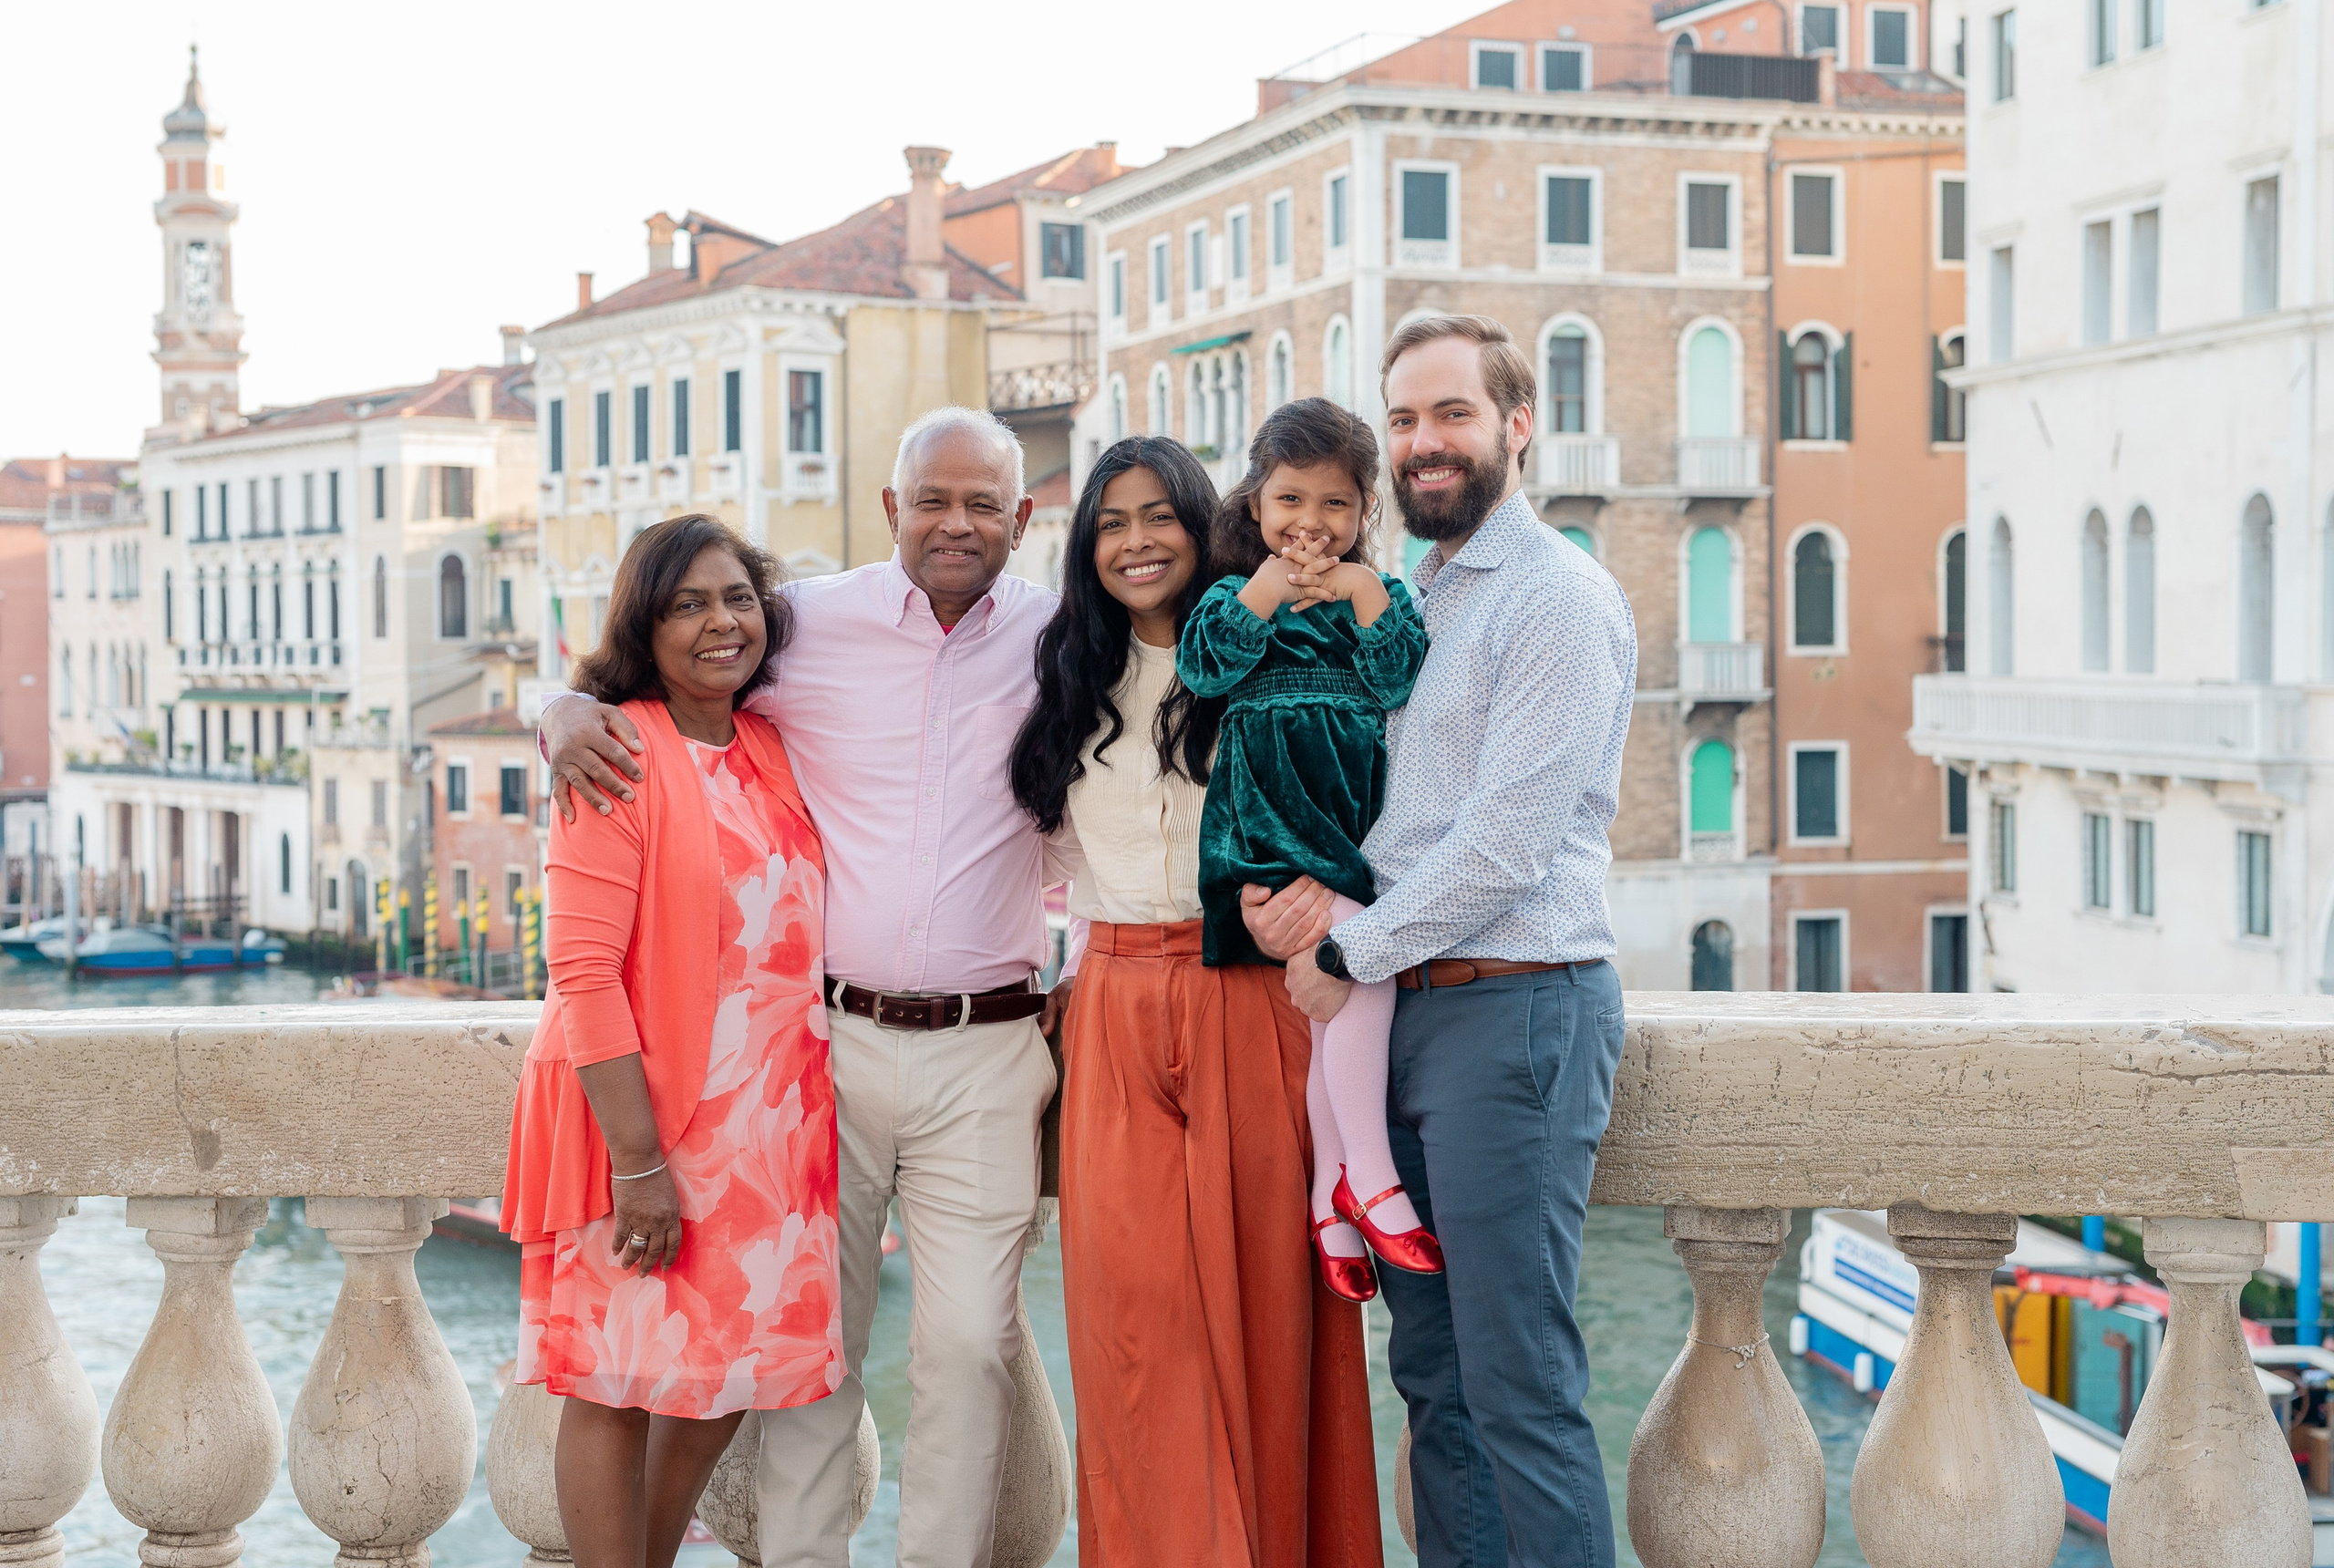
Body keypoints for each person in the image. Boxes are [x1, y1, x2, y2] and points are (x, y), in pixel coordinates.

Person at [542, 408, 1059, 1568]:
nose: (956, 522)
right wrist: (559, 708)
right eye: (932, 497)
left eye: (984, 503)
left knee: (972, 1344)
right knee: (808, 1351)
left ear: (1023, 520)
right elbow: (649, 656)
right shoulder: (802, 623)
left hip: (986, 1047)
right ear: (891, 509)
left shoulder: (1061, 634)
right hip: (824, 1057)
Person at [1244, 315, 1637, 1568]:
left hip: (1517, 1013)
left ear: (1518, 427)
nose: (1425, 443)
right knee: (1435, 1381)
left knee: (1520, 1385)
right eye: (1404, 419)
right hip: (1408, 1011)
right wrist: (1286, 899)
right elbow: (1378, 812)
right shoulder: (1405, 599)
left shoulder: (1558, 596)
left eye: (1453, 414)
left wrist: (1348, 955)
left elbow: (1505, 845)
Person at [1008, 434, 1382, 1568]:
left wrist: (1332, 890)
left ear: (1200, 524)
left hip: (1252, 997)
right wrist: (566, 701)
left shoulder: (1275, 648)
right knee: (1136, 1335)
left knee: (1273, 1326)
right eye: (1111, 522)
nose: (1134, 541)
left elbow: (1376, 791)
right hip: (1111, 1005)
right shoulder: (1064, 671)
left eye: (1157, 516)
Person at [501, 514, 842, 1568]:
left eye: (736, 597)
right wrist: (639, 1163)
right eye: (688, 603)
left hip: (771, 1134)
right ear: (644, 627)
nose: (719, 622)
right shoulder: (612, 752)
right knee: (610, 1380)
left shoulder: (772, 745)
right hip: (644, 1127)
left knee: (725, 1376)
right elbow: (583, 973)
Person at [1174, 398, 1435, 1302]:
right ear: (1255, 506)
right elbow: (1204, 665)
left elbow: (1399, 676)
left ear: (1365, 514)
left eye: (1334, 504)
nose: (1310, 524)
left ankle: (1331, 1205)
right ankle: (1370, 1172)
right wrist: (1268, 588)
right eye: (1290, 501)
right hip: (1261, 838)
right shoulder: (1231, 597)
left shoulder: (1380, 596)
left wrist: (1363, 590)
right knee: (1359, 962)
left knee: (1340, 1006)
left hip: (1344, 835)